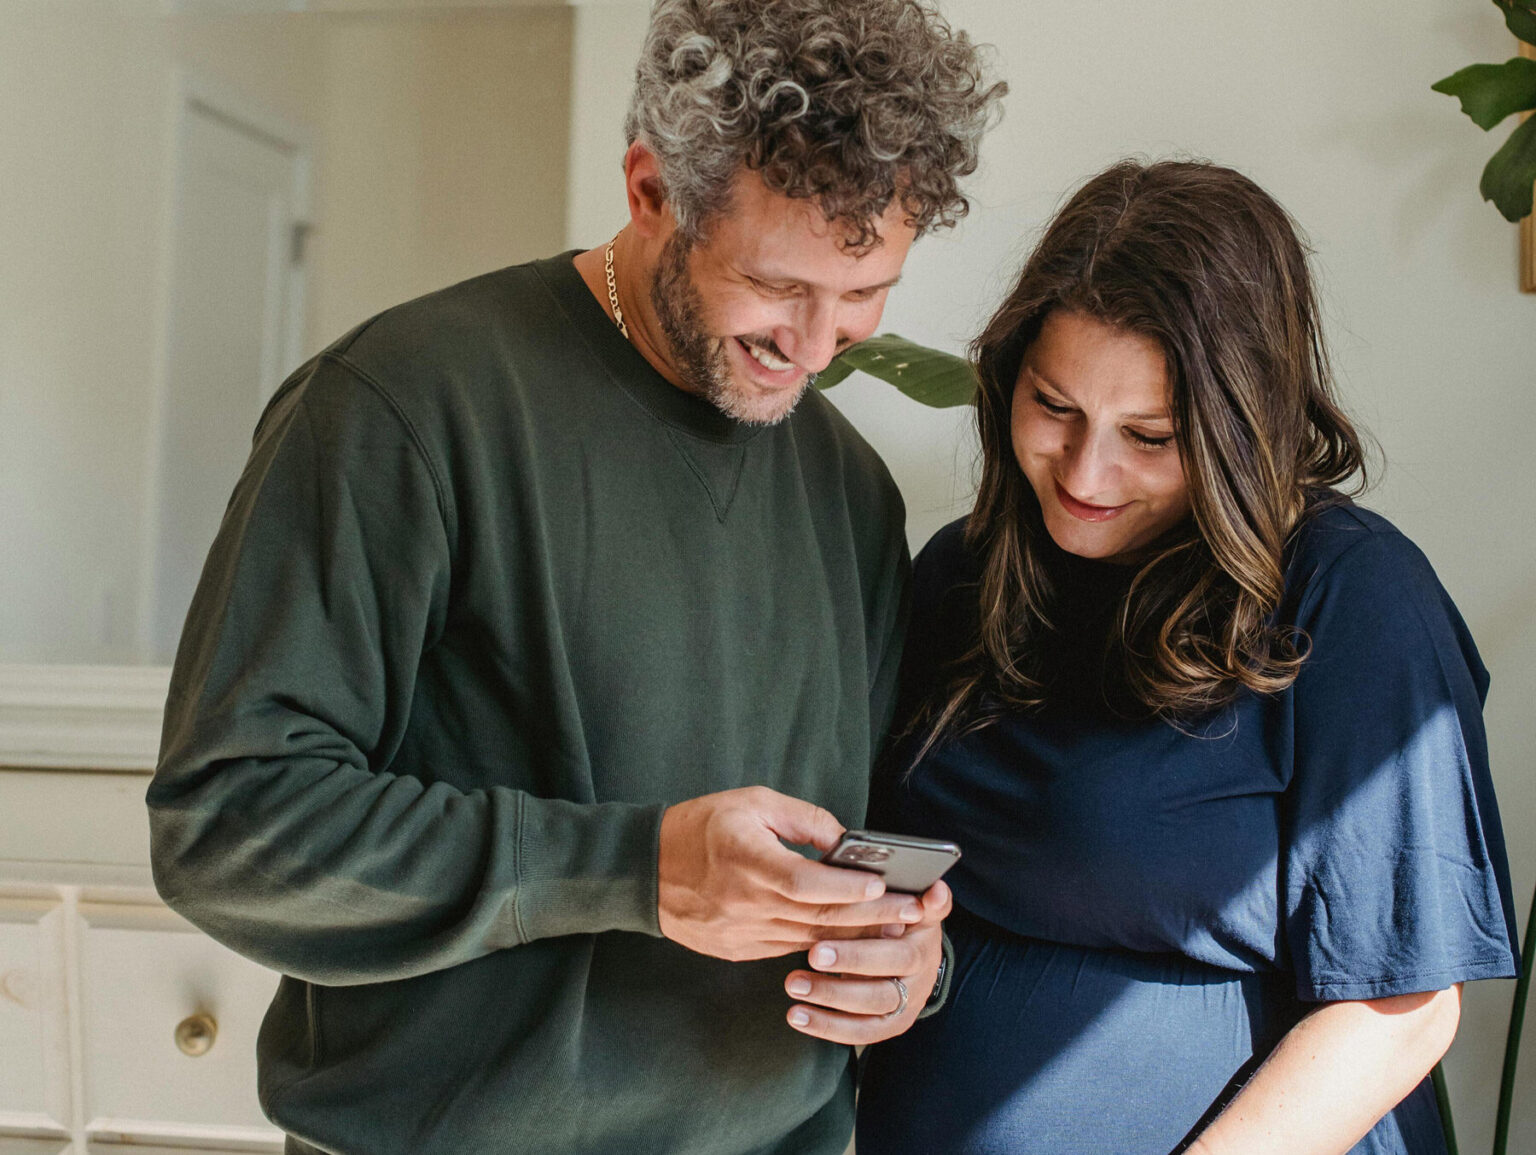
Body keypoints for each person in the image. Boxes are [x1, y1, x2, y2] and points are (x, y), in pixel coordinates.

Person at [144, 2, 1004, 1152]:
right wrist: (635, 869)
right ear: (652, 190)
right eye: (778, 287)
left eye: (865, 297)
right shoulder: (403, 406)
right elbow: (229, 826)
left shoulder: (850, 491)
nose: (815, 345)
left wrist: (907, 965)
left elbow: (866, 846)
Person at [851, 159, 1520, 1155]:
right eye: (1054, 407)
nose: (1085, 473)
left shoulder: (1354, 598)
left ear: (1241, 430)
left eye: (1151, 437)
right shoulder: (960, 576)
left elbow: (1403, 1011)